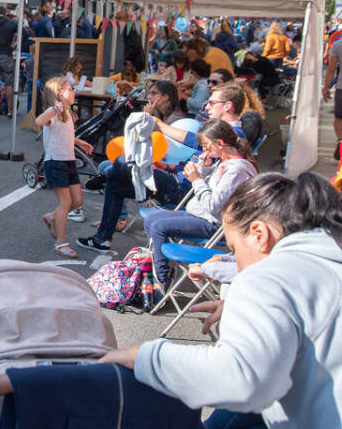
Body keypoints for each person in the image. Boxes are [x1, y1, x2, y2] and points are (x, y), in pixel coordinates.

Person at [101, 172, 342, 429]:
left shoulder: (268, 277)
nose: (237, 261)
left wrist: (144, 357)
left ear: (259, 234)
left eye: (234, 249)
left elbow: (243, 380)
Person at [79, 82, 254, 253]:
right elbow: (198, 158)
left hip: (183, 191)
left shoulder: (232, 136)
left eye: (212, 102)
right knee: (115, 185)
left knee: (123, 162)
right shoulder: (223, 132)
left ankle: (105, 175)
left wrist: (161, 127)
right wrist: (168, 167)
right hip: (178, 181)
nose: (207, 106)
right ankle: (102, 240)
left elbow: (194, 143)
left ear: (227, 106)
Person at [142, 119, 258, 287]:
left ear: (220, 143)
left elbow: (213, 205)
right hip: (201, 215)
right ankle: (157, 271)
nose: (204, 150)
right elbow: (210, 189)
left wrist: (196, 179)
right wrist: (204, 170)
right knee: (151, 220)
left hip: (214, 223)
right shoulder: (223, 162)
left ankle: (161, 280)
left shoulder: (236, 170)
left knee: (158, 227)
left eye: (206, 145)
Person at [35, 77, 93, 259]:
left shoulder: (67, 113)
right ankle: (61, 243)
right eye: (70, 89)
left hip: (68, 161)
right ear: (59, 92)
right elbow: (39, 121)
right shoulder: (54, 112)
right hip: (55, 162)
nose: (73, 92)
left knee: (77, 201)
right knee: (66, 203)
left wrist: (79, 142)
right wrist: (54, 110)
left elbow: (65, 135)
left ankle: (52, 217)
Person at [324, 31, 342, 159]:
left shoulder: (338, 45)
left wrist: (326, 87)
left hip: (341, 88)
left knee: (339, 118)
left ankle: (340, 141)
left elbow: (331, 69)